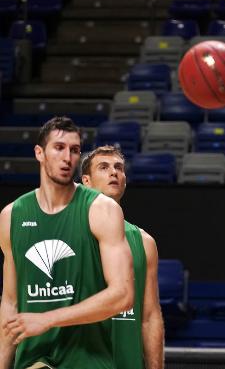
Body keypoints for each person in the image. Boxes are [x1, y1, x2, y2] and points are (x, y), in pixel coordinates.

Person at [0, 116, 134, 369]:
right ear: (40, 153)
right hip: (33, 359)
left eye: (74, 150)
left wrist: (47, 319)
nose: (67, 157)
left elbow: (123, 295)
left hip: (86, 360)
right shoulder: (11, 216)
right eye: (59, 148)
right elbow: (10, 302)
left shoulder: (101, 209)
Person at [81, 145, 164, 369]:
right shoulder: (66, 233)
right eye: (104, 167)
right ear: (86, 181)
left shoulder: (144, 242)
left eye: (119, 167)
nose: (114, 172)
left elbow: (150, 317)